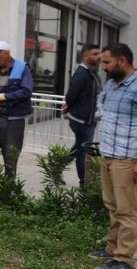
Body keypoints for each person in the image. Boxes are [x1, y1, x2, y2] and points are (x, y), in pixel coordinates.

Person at [88, 43, 137, 269]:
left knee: (127, 211)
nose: (103, 66)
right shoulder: (111, 84)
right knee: (112, 205)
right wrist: (101, 110)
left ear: (122, 61)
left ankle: (124, 259)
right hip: (108, 154)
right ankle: (111, 249)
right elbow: (101, 100)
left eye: (107, 62)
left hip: (126, 159)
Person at [0, 40, 33, 179]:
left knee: (10, 159)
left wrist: (4, 96)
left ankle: (7, 195)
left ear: (6, 54)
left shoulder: (22, 68)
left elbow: (27, 91)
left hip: (13, 121)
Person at [61, 43, 102, 187]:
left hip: (87, 119)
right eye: (95, 54)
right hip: (82, 120)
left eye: (99, 53)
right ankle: (84, 184)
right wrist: (70, 106)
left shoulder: (91, 71)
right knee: (83, 153)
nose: (99, 56)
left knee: (79, 147)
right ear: (85, 56)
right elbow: (71, 95)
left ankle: (57, 167)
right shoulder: (82, 73)